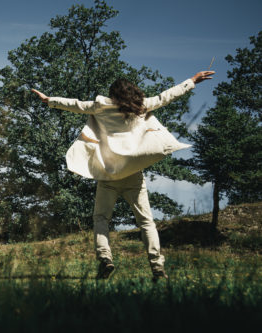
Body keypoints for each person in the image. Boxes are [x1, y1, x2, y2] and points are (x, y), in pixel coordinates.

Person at [31, 70, 215, 281]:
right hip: (133, 175)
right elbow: (166, 96)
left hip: (108, 175)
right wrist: (191, 81)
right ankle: (157, 268)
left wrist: (49, 100)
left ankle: (105, 259)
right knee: (146, 222)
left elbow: (75, 104)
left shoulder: (100, 107)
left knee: (101, 219)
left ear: (112, 94)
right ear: (133, 93)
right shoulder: (141, 107)